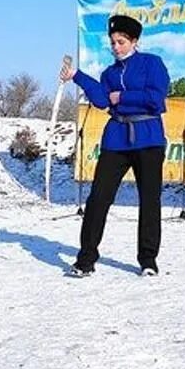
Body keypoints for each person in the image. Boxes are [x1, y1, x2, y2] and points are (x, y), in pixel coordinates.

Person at [59, 14, 170, 277]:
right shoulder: (109, 73)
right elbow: (101, 101)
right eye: (113, 42)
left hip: (149, 138)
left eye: (121, 42)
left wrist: (123, 97)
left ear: (134, 41)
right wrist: (76, 76)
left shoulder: (152, 64)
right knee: (98, 199)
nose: (116, 47)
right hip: (116, 138)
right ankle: (86, 259)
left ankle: (148, 260)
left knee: (149, 200)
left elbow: (156, 100)